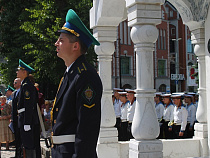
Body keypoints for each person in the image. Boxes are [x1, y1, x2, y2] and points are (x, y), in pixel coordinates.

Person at [51, 9, 103, 158]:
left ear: (75, 46)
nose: (56, 43)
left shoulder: (85, 76)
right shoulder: (71, 73)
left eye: (61, 40)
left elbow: (87, 128)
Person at [16, 59, 41, 158]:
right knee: (26, 144)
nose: (17, 72)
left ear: (24, 72)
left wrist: (27, 122)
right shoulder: (24, 85)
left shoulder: (27, 86)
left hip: (28, 120)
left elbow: (29, 106)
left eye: (18, 70)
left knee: (29, 144)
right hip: (24, 118)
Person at [11, 78, 22, 157]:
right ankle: (17, 154)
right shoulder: (15, 93)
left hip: (20, 118)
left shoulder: (21, 92)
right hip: (15, 119)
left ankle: (20, 154)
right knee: (17, 139)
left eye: (15, 82)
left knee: (20, 139)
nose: (14, 84)